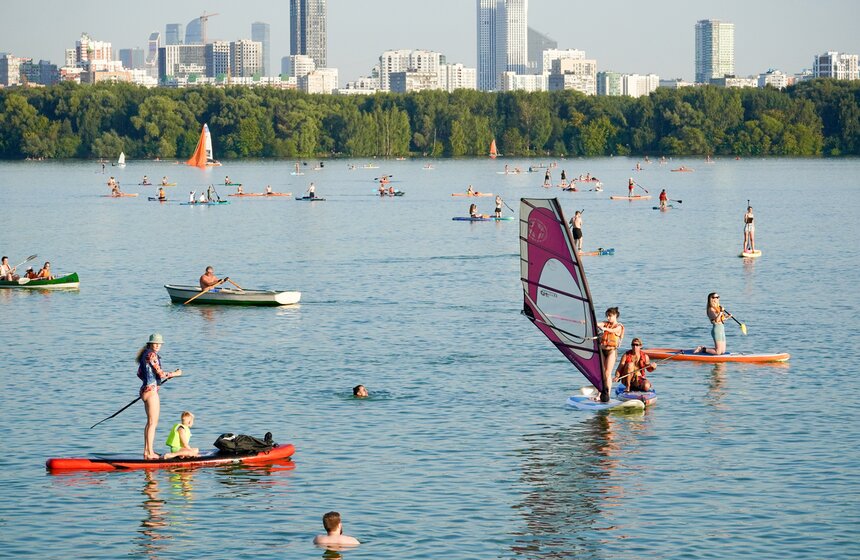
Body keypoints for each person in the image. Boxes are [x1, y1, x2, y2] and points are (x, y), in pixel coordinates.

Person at [137, 333, 183, 459]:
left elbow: (139, 373)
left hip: (145, 390)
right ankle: (149, 453)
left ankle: (147, 451)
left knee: (149, 423)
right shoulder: (152, 355)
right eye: (155, 343)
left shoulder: (144, 355)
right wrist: (175, 374)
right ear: (150, 344)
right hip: (151, 392)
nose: (157, 346)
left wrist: (150, 381)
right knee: (153, 423)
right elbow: (161, 374)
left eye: (159, 344)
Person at [598, 307, 625, 402]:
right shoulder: (606, 323)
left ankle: (606, 394)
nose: (608, 318)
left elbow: (613, 331)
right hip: (602, 350)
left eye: (610, 316)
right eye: (607, 316)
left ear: (615, 316)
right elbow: (597, 324)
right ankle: (600, 394)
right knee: (602, 373)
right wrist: (586, 322)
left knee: (607, 373)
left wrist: (604, 328)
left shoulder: (619, 327)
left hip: (611, 351)